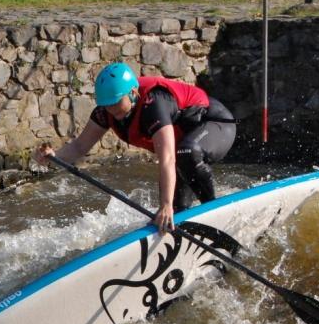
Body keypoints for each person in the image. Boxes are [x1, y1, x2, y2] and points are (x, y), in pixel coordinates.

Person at [35, 62, 237, 233]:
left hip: (216, 125)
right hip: (183, 150)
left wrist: (164, 204)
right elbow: (79, 147)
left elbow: (167, 158)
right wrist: (54, 157)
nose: (111, 110)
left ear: (133, 93)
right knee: (177, 215)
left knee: (185, 152)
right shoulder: (106, 111)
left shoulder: (154, 103)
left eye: (115, 103)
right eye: (106, 105)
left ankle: (215, 214)